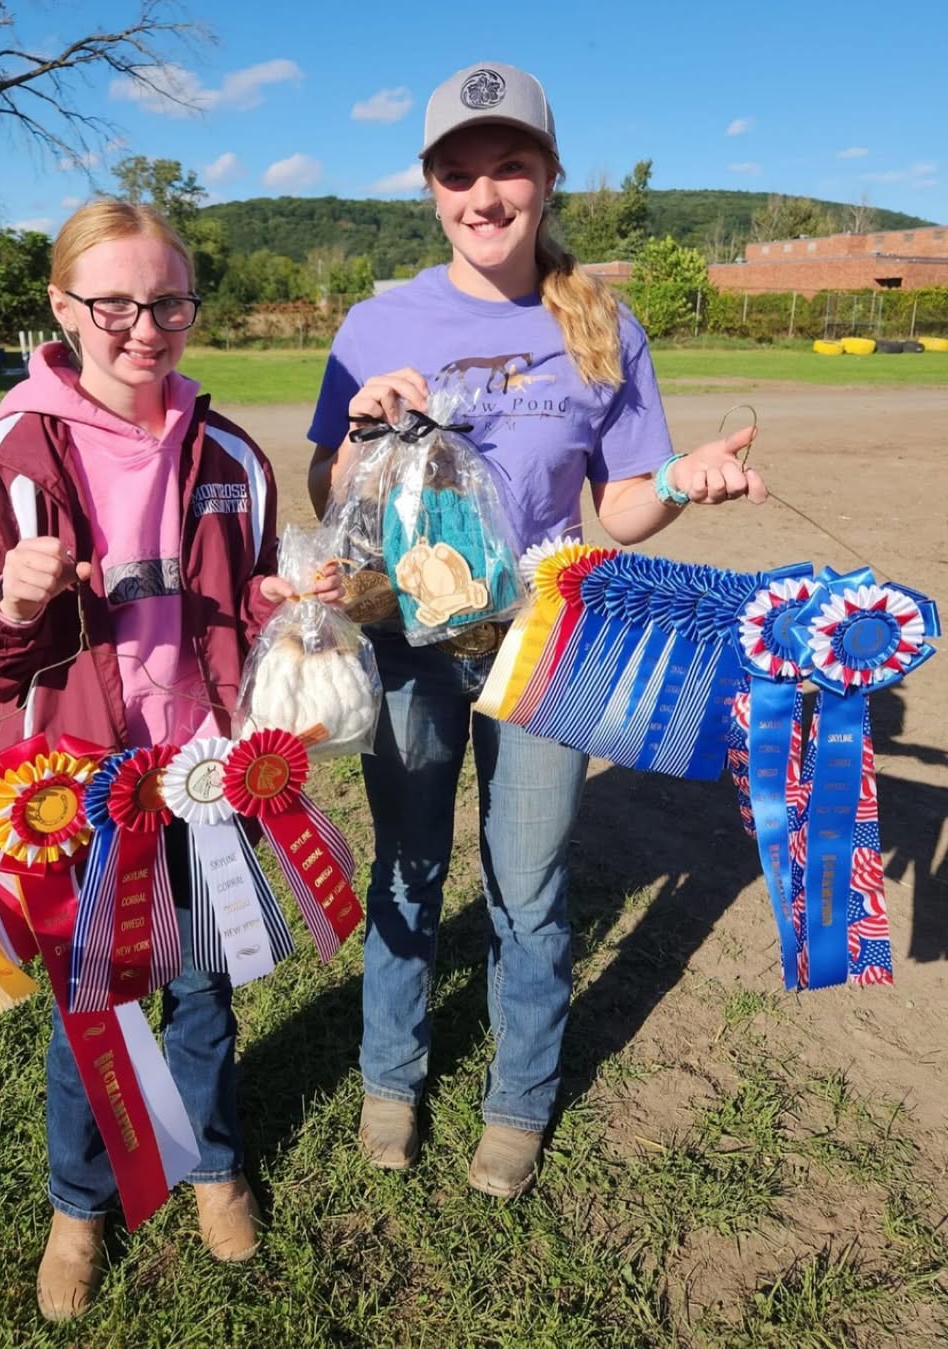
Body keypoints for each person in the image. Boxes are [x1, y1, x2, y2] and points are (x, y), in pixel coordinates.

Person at [307, 61, 767, 1199]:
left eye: (509, 166)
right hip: (412, 635)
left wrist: (683, 477)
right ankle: (390, 1076)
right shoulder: (377, 321)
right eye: (458, 173)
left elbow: (621, 506)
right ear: (430, 188)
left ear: (549, 176)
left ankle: (517, 1097)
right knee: (409, 864)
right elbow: (330, 494)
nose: (485, 195)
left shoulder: (601, 320)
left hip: (549, 645)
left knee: (530, 876)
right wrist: (361, 431)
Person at [0, 199, 339, 1320]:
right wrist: (10, 601)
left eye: (168, 302)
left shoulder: (229, 453)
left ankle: (212, 1164)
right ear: (62, 308)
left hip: (199, 776)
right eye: (114, 304)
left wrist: (283, 599)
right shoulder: (5, 455)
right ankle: (79, 1202)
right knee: (90, 1008)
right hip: (71, 790)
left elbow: (247, 600)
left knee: (202, 987)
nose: (145, 328)